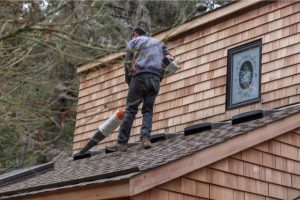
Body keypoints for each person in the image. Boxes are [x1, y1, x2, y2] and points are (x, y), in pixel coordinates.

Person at [106, 27, 172, 152]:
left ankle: (121, 143)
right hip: (155, 79)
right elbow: (170, 58)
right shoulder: (158, 43)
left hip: (140, 77)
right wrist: (160, 74)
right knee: (148, 110)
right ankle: (145, 139)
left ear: (135, 35)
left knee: (130, 110)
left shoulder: (133, 42)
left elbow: (128, 63)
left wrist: (129, 81)